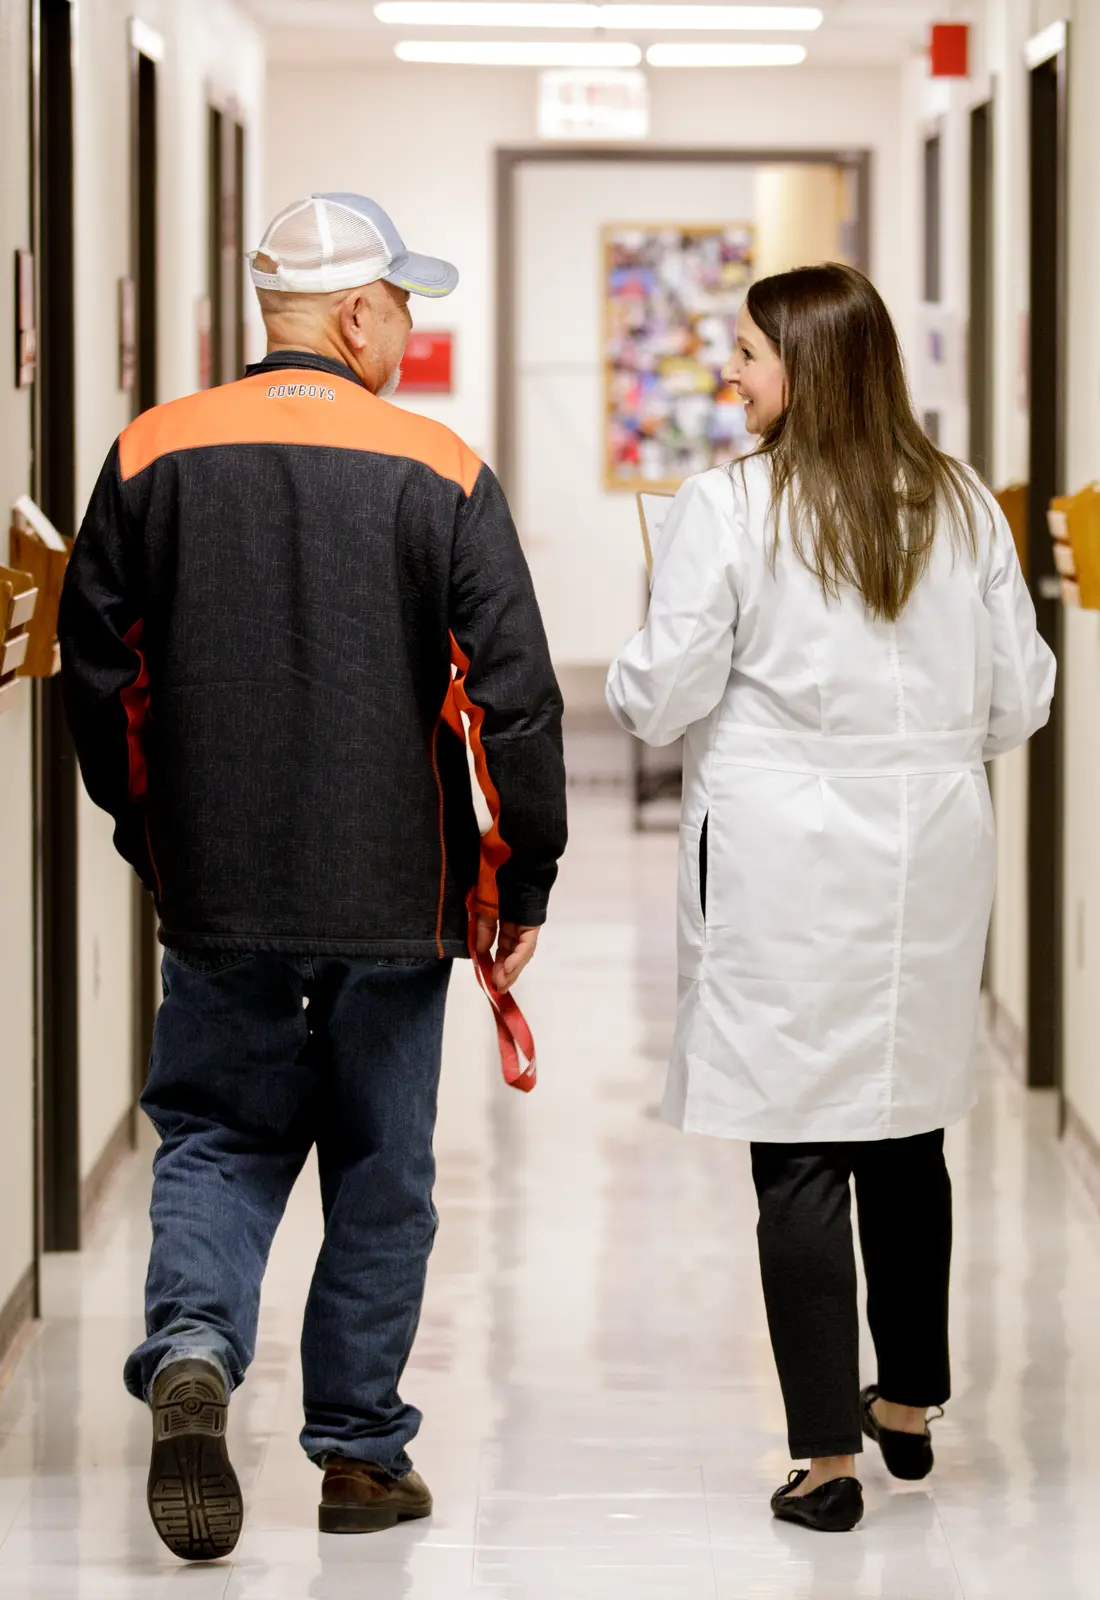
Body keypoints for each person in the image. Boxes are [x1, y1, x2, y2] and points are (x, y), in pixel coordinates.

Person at [59, 192, 567, 1561]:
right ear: (357, 313)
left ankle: (195, 1351)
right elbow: (513, 699)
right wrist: (521, 883)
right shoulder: (440, 468)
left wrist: (147, 830)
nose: (406, 328)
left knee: (216, 1134)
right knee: (379, 1167)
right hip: (390, 897)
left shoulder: (151, 451)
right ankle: (357, 1458)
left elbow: (96, 674)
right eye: (403, 303)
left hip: (216, 885)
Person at [607, 263, 1054, 1533]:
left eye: (745, 353)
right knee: (904, 1127)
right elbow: (1020, 698)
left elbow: (655, 695)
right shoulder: (961, 501)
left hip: (780, 858)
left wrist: (655, 646)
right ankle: (904, 1398)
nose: (729, 376)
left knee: (798, 1144)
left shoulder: (728, 506)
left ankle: (824, 1459)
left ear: (804, 363)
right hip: (927, 848)